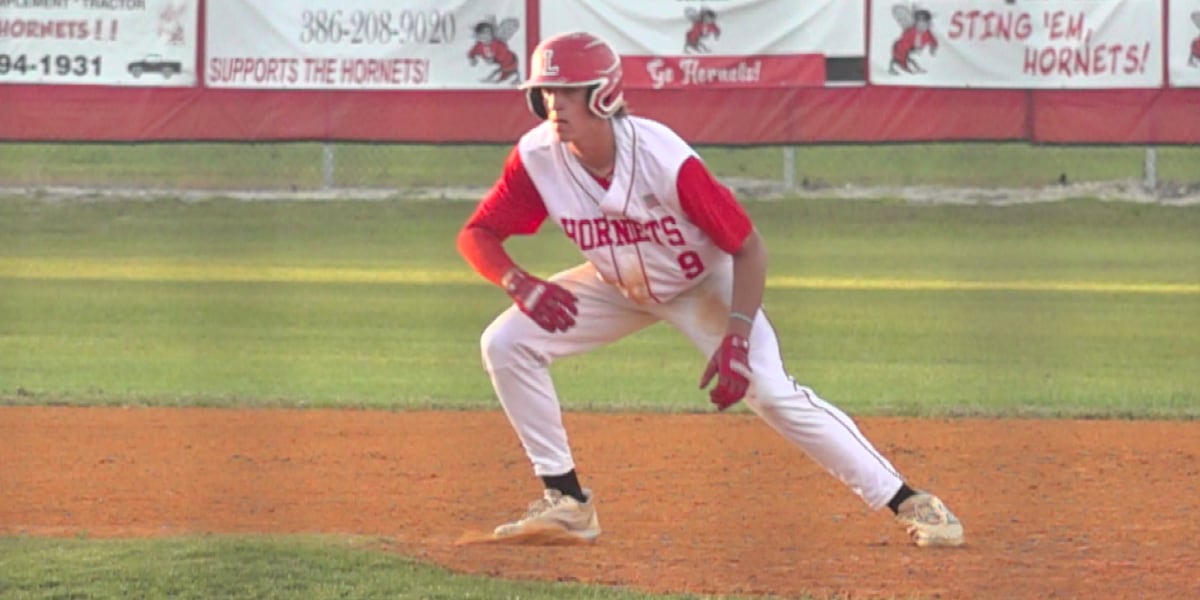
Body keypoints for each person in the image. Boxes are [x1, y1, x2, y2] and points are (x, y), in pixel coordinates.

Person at [456, 31, 964, 548]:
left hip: (703, 283)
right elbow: (477, 234)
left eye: (568, 90)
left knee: (772, 393)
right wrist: (517, 282)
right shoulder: (538, 157)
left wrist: (737, 336)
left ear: (602, 94)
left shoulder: (661, 158)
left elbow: (749, 248)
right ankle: (567, 502)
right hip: (617, 283)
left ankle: (910, 500)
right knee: (506, 343)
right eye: (545, 90)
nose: (554, 102)